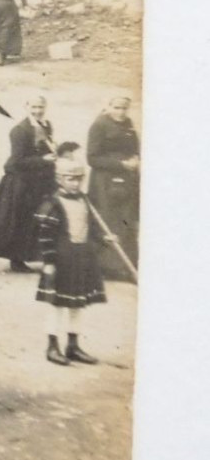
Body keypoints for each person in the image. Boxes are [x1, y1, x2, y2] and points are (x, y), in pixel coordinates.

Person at [36, 159, 113, 366]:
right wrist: (49, 261)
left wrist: (103, 238)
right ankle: (52, 346)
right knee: (57, 305)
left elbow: (91, 226)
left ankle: (73, 345)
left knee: (78, 303)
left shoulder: (84, 201)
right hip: (61, 259)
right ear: (59, 179)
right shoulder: (52, 203)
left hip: (81, 257)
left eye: (79, 180)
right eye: (70, 179)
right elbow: (45, 236)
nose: (75, 184)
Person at [0, 96, 59, 272]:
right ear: (26, 106)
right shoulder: (19, 131)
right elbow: (17, 161)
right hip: (21, 183)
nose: (37, 111)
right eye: (34, 107)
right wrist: (43, 160)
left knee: (38, 220)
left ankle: (37, 256)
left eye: (41, 107)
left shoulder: (46, 125)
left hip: (39, 182)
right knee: (19, 221)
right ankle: (16, 260)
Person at [86, 95, 140, 270]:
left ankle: (124, 267)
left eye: (124, 108)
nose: (121, 112)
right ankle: (104, 267)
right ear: (108, 106)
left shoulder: (128, 123)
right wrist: (120, 164)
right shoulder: (99, 125)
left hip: (127, 179)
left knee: (126, 219)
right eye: (117, 107)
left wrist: (135, 159)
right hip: (104, 182)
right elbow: (92, 158)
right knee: (107, 220)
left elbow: (134, 146)